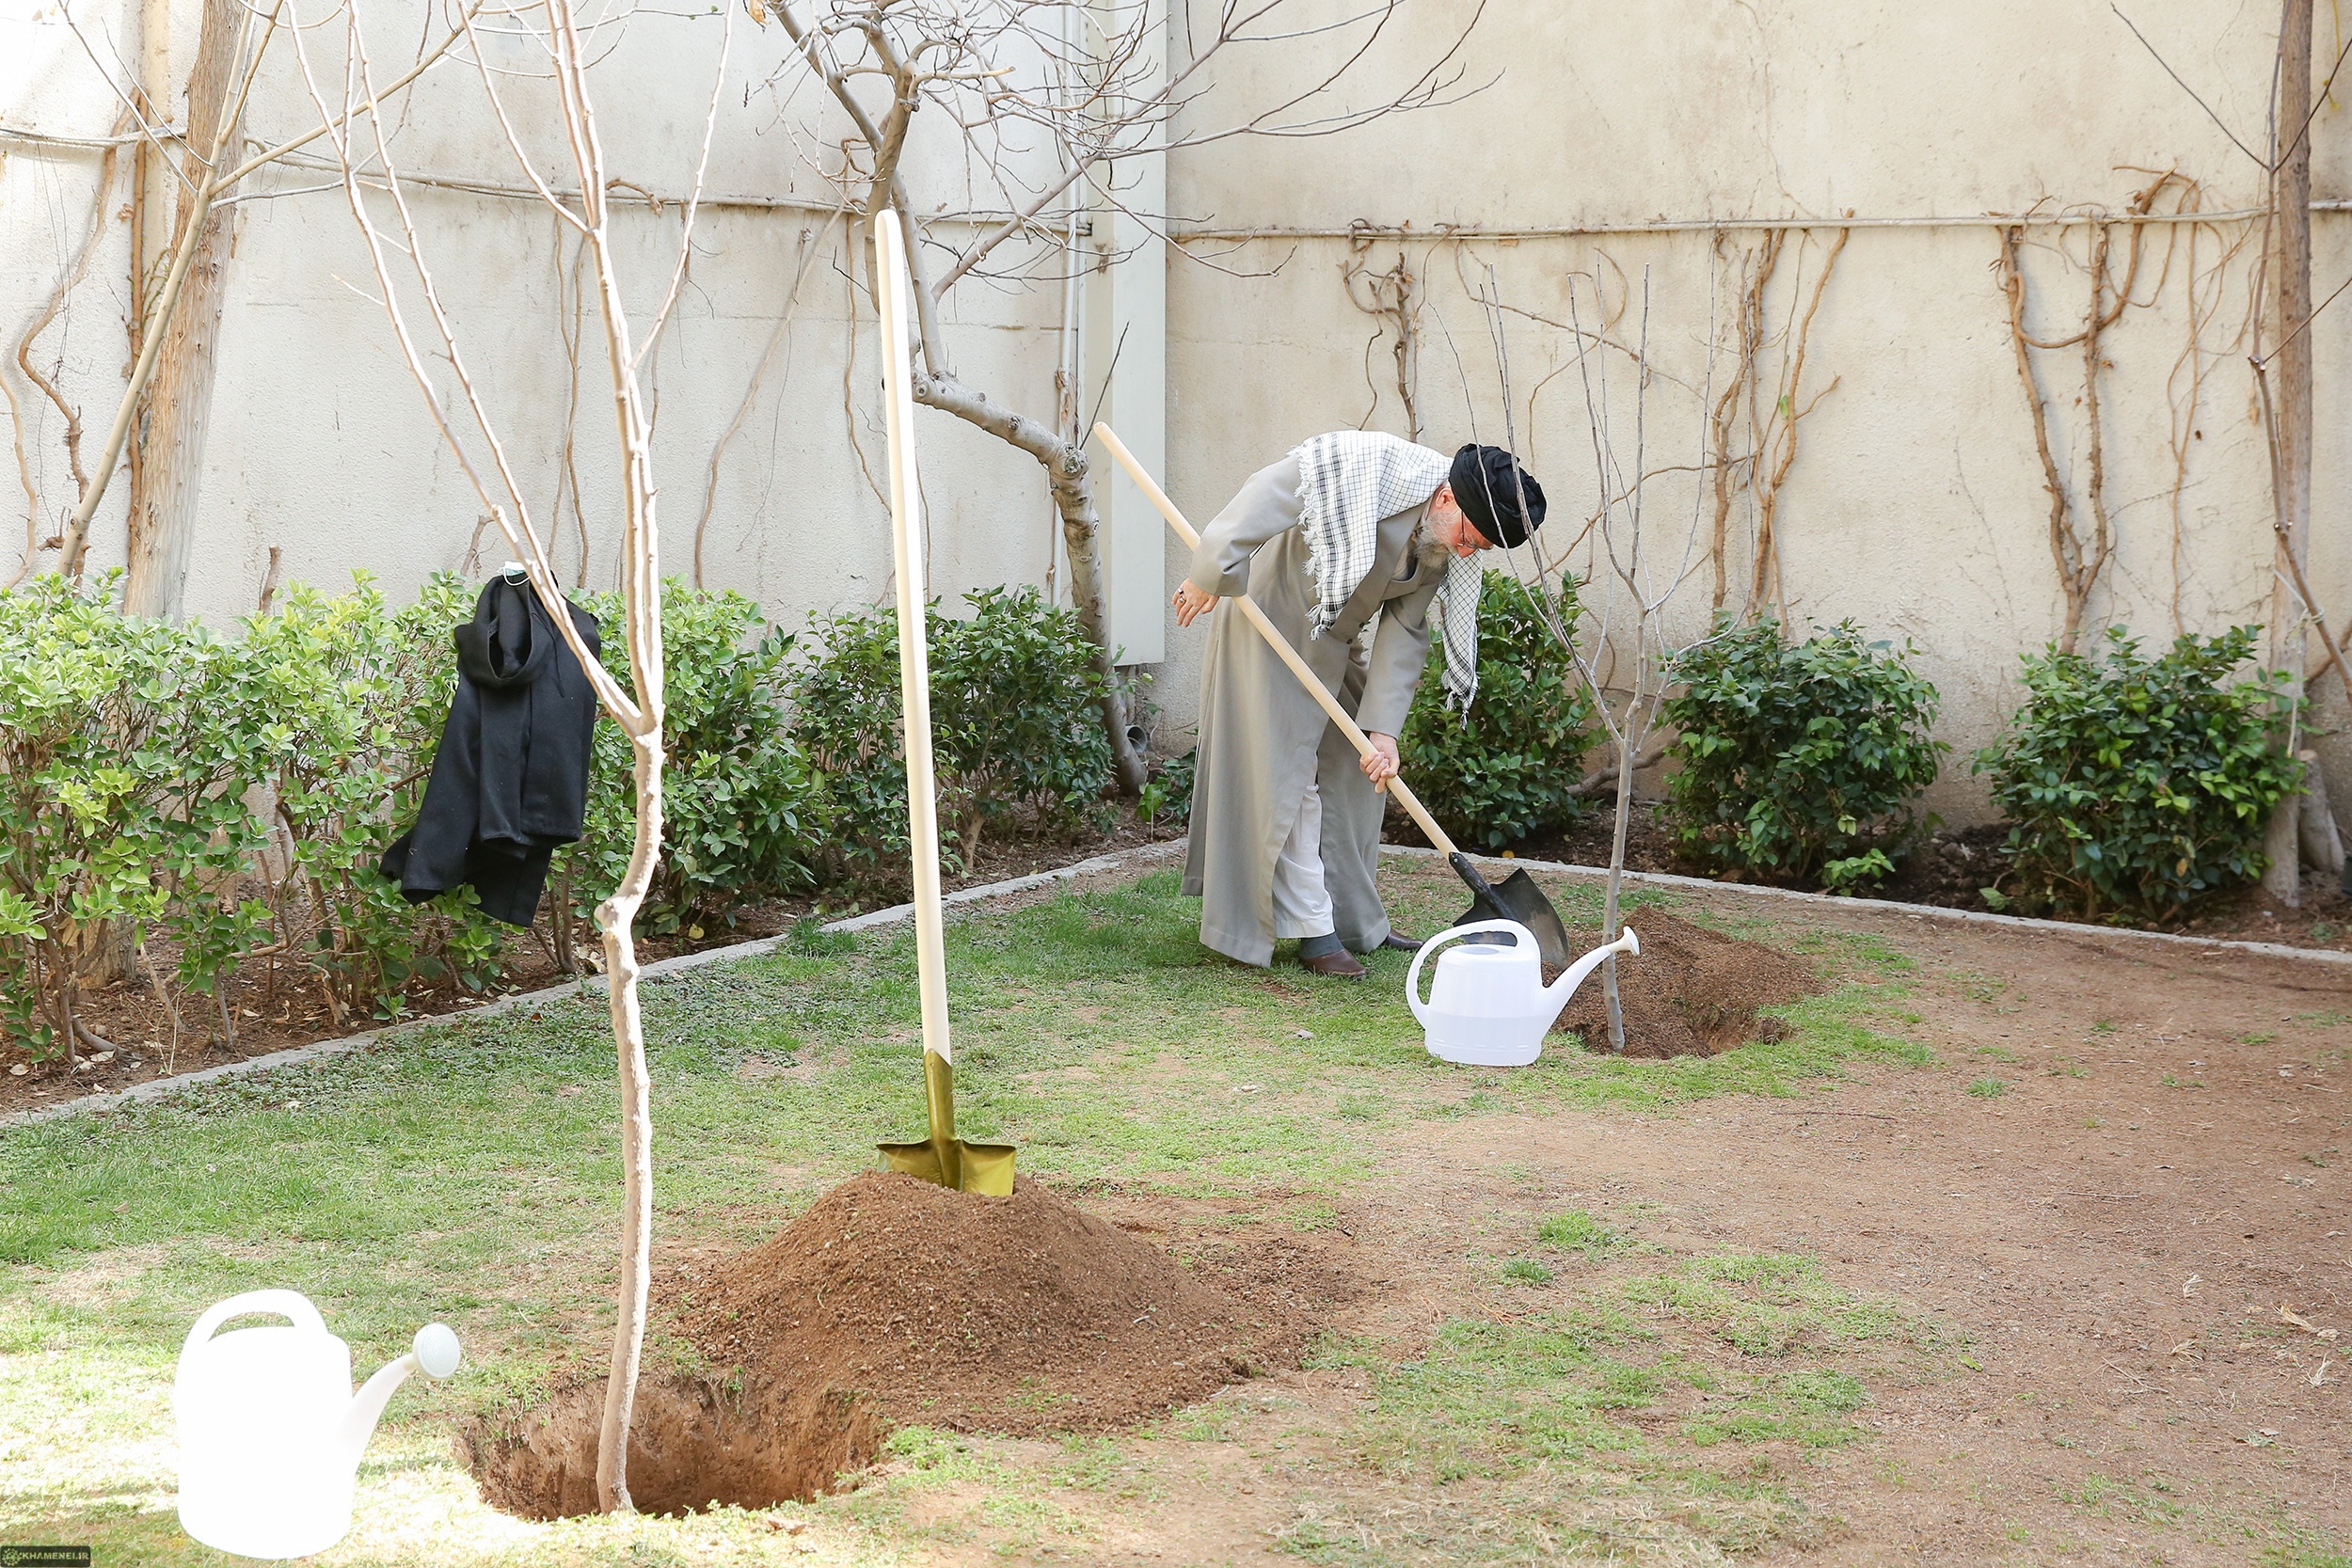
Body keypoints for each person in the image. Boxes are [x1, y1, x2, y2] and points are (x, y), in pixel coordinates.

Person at [1172, 432, 1547, 977]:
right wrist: (1209, 573)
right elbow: (1264, 494)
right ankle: (1315, 932)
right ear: (1447, 499)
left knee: (1356, 770)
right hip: (1269, 628)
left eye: (1480, 550)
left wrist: (1383, 733)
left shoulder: (1440, 542)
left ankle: (1353, 919)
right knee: (1287, 779)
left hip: (1330, 644)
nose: (1469, 553)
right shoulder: (1360, 465)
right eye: (1472, 539)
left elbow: (1405, 629)